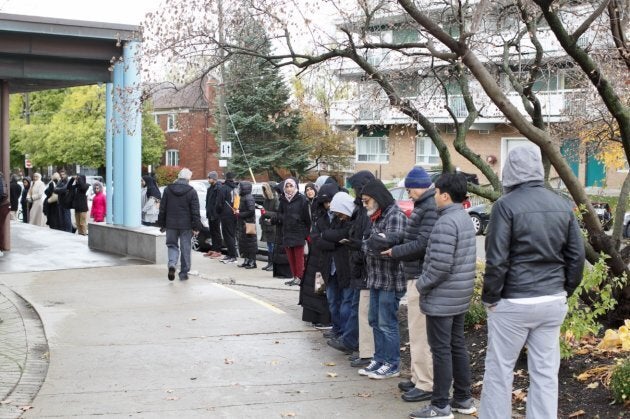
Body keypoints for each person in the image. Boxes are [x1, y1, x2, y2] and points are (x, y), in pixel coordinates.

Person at [479, 146, 585, 419]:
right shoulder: (561, 204)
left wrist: (490, 298)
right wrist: (565, 291)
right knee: (546, 373)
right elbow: (576, 256)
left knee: (500, 371)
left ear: (510, 170)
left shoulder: (505, 205)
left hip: (513, 302)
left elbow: (497, 259)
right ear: (538, 167)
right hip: (551, 300)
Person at [409, 173, 477, 419]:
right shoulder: (464, 218)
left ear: (445, 195)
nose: (434, 195)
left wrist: (421, 285)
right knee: (456, 346)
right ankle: (462, 399)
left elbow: (439, 265)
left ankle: (440, 405)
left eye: (436, 192)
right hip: (458, 296)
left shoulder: (446, 222)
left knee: (441, 351)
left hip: (442, 297)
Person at [381, 167, 437, 402]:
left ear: (421, 186)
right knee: (415, 332)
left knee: (420, 333)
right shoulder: (423, 205)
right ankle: (417, 376)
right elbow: (413, 238)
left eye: (410, 188)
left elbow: (423, 243)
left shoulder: (429, 207)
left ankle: (426, 383)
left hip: (421, 276)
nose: (408, 192)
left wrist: (395, 251)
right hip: (414, 273)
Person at [358, 178, 406, 380]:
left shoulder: (395, 215)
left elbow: (388, 249)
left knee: (387, 322)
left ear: (377, 199)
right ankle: (379, 358)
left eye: (367, 200)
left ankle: (392, 363)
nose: (364, 204)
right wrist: (373, 244)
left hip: (391, 279)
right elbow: (366, 244)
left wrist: (372, 245)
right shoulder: (375, 217)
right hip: (375, 278)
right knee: (374, 321)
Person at [345, 170, 376, 368]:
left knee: (366, 314)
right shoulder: (360, 208)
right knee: (361, 311)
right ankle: (364, 351)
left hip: (365, 267)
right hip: (359, 265)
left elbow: (367, 238)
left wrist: (356, 250)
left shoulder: (367, 211)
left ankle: (368, 353)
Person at [300, 183, 340, 331]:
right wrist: (331, 243)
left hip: (326, 259)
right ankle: (320, 317)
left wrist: (327, 240)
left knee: (324, 291)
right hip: (318, 258)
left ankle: (326, 319)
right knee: (319, 289)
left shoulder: (336, 216)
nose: (327, 205)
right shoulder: (319, 214)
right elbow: (316, 237)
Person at [157, 168, 202, 281]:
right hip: (186, 225)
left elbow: (163, 208)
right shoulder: (192, 191)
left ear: (178, 176)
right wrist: (196, 226)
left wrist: (162, 224)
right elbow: (195, 211)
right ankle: (183, 273)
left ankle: (172, 264)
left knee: (172, 245)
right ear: (188, 178)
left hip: (171, 224)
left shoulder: (168, 190)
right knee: (185, 248)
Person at [270, 177, 311, 286]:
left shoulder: (301, 199)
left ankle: (300, 277)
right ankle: (295, 277)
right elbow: (280, 214)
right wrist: (282, 218)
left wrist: (305, 234)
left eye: (291, 186)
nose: (288, 189)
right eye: (287, 186)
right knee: (291, 258)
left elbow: (307, 219)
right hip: (287, 232)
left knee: (299, 258)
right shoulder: (283, 200)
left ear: (295, 187)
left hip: (298, 232)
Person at [215, 172, 239, 264]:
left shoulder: (223, 188)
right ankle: (231, 254)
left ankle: (232, 255)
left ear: (226, 178)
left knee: (227, 235)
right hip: (234, 213)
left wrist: (218, 212)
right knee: (231, 234)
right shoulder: (236, 187)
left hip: (226, 214)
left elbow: (219, 203)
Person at [236, 180, 257, 269]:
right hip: (243, 223)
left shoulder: (249, 198)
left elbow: (251, 211)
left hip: (249, 224)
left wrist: (240, 214)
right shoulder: (243, 197)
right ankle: (247, 260)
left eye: (240, 187)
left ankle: (252, 261)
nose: (239, 189)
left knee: (250, 243)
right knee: (244, 243)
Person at [259, 182, 278, 270]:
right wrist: (262, 217)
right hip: (266, 225)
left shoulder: (276, 199)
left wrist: (266, 213)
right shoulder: (266, 200)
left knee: (273, 246)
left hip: (273, 226)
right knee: (269, 245)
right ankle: (269, 263)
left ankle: (273, 264)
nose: (265, 192)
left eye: (266, 190)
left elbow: (278, 213)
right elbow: (264, 211)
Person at [204, 171, 223, 258]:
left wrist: (216, 213)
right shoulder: (210, 188)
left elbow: (219, 203)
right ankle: (213, 248)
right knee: (212, 232)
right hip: (210, 213)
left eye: (209, 178)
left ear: (214, 178)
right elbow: (208, 201)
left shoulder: (218, 188)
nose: (208, 179)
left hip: (215, 214)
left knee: (216, 232)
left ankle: (218, 250)